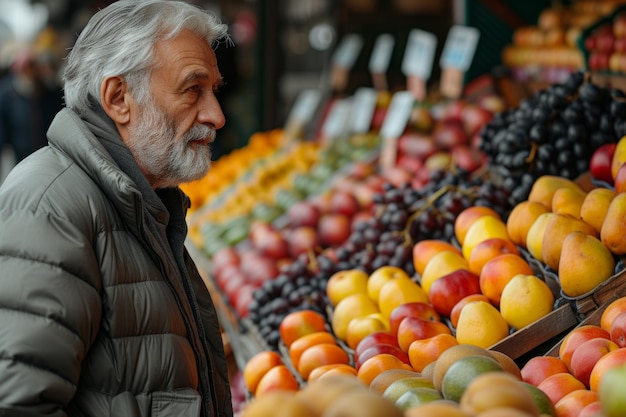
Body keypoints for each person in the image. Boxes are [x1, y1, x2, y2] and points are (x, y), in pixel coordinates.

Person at [0, 1, 233, 416]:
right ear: (118, 97)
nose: (216, 115)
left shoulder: (144, 201)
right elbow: (19, 404)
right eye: (192, 89)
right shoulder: (50, 206)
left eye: (214, 90)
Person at [0, 45, 64, 167]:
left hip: (50, 157)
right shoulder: (7, 96)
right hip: (21, 159)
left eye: (32, 67)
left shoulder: (52, 93)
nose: (29, 73)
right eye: (24, 69)